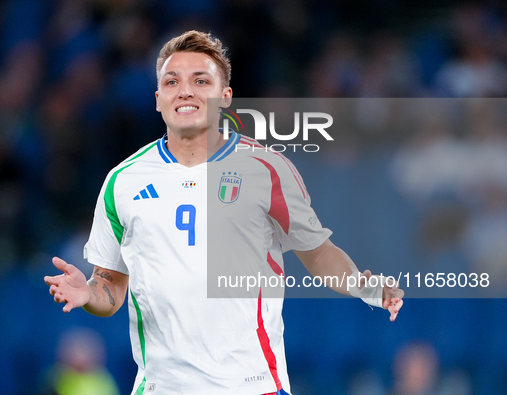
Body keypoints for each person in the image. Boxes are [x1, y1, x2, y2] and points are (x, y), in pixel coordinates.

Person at [45, 30, 404, 395]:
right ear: (158, 99)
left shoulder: (268, 170)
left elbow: (318, 254)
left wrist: (364, 285)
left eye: (201, 81)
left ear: (225, 96)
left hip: (252, 386)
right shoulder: (122, 181)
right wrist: (89, 294)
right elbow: (111, 288)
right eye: (172, 82)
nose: (185, 91)